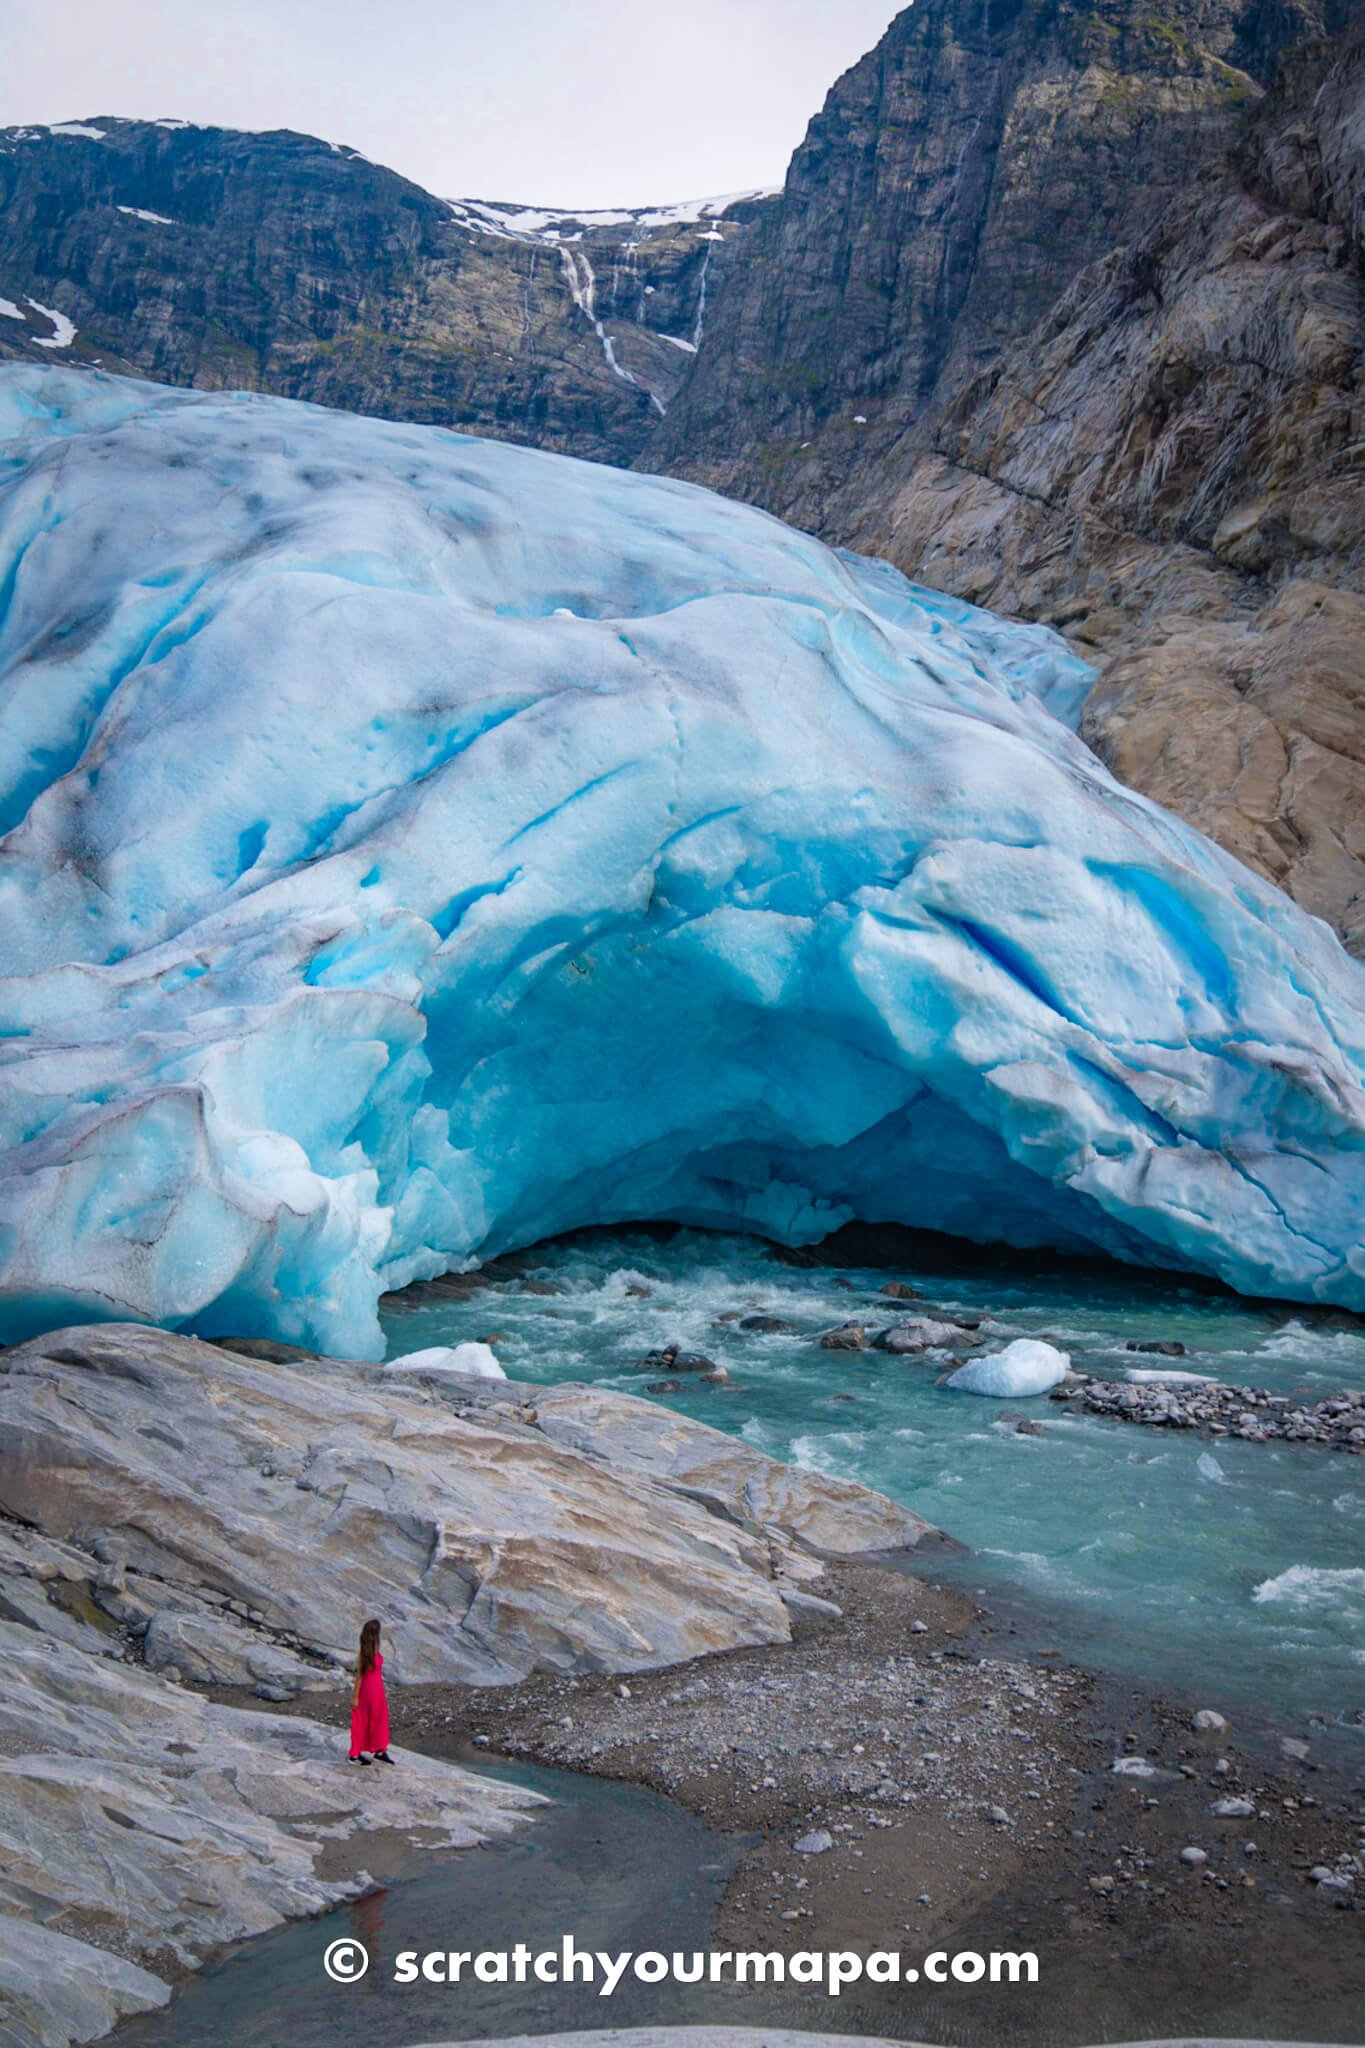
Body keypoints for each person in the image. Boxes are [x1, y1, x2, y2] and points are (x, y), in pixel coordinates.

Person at [348, 1617, 393, 1765]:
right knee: (363, 1720)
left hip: (377, 1691)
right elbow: (359, 1676)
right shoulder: (365, 1654)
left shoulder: (373, 1649)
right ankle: (354, 1754)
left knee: (380, 1719)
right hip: (368, 1691)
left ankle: (380, 1749)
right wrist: (355, 1697)